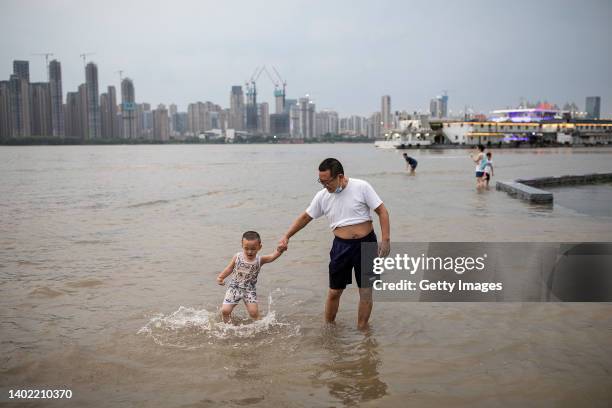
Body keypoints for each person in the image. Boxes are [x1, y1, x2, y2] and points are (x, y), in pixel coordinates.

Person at [277, 158, 390, 330]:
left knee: (366, 292)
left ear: (340, 176)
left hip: (367, 243)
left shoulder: (362, 187)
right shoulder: (322, 196)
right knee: (334, 291)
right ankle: (329, 330)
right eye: (321, 182)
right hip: (341, 247)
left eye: (327, 182)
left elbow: (382, 211)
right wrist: (287, 236)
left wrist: (386, 239)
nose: (324, 186)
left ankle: (363, 331)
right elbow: (306, 217)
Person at [217, 231, 284, 323]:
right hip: (234, 288)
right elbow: (229, 268)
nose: (249, 251)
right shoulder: (237, 257)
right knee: (225, 311)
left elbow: (272, 257)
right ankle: (227, 326)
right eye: (246, 248)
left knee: (254, 313)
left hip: (249, 290)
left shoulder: (260, 259)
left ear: (259, 247)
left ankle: (261, 326)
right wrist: (221, 277)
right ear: (242, 246)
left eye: (253, 249)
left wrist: (279, 250)